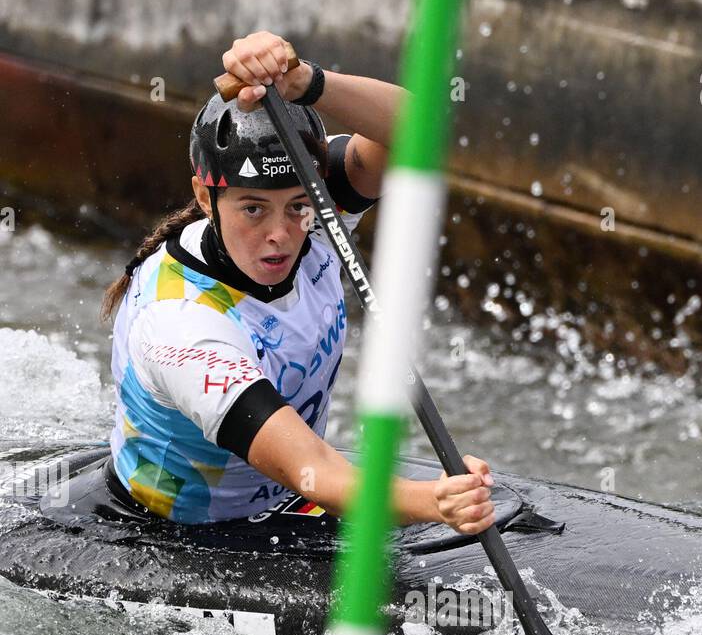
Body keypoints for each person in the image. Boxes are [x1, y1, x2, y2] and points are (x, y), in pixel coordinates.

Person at [100, 30, 494, 534]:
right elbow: (314, 470)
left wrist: (306, 80)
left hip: (284, 497)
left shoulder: (318, 212)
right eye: (252, 209)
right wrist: (435, 502)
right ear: (205, 196)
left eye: (298, 207)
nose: (280, 237)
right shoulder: (181, 326)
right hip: (177, 532)